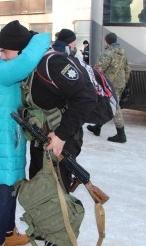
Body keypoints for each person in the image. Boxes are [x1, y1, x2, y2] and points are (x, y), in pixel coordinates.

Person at [0, 20, 50, 246]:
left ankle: (9, 235)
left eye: (5, 50)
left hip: (7, 143)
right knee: (4, 203)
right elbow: (30, 58)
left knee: (11, 195)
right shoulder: (3, 71)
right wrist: (36, 37)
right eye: (0, 50)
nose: (3, 55)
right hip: (2, 145)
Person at [27, 28, 97, 195]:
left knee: (57, 193)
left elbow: (86, 98)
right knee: (39, 186)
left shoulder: (53, 62)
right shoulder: (32, 63)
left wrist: (61, 135)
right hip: (43, 135)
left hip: (62, 136)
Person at [87, 32, 131, 143]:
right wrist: (124, 82)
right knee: (106, 104)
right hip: (120, 83)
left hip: (110, 84)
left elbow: (97, 69)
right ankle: (97, 127)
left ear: (107, 41)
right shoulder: (123, 52)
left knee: (114, 107)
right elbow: (127, 69)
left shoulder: (108, 53)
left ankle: (121, 134)